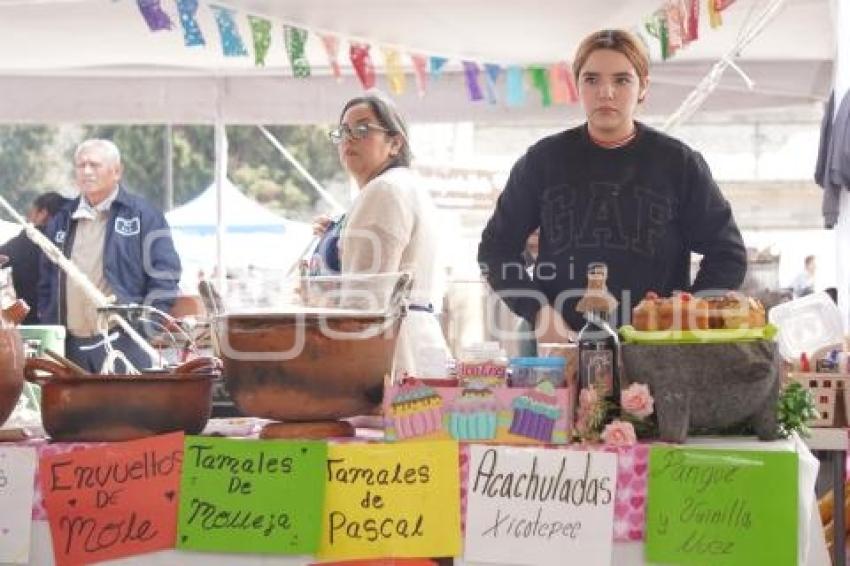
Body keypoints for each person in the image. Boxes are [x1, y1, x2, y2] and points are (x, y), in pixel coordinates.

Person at [478, 29, 747, 343]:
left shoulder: (678, 163)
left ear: (643, 86)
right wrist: (538, 310)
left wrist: (687, 313)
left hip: (655, 351)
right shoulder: (543, 161)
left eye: (622, 80)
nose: (606, 92)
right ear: (577, 84)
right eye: (591, 79)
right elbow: (495, 249)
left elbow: (728, 254)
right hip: (562, 347)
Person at [328, 92, 450, 377]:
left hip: (392, 348)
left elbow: (365, 298)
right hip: (418, 338)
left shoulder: (384, 189)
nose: (349, 138)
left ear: (395, 143)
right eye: (343, 131)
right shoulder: (407, 186)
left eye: (362, 129)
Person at [39, 139, 182, 372]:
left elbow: (166, 272)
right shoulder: (62, 219)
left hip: (124, 342)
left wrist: (148, 328)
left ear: (117, 171)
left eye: (94, 165)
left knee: (126, 409)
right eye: (81, 165)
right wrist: (50, 324)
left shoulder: (143, 214)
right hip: (70, 346)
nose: (86, 171)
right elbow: (46, 281)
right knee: (75, 409)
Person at [0, 191, 67, 324]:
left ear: (43, 213)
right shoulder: (69, 240)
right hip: (65, 318)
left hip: (33, 318)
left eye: (32, 211)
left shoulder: (29, 239)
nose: (28, 216)